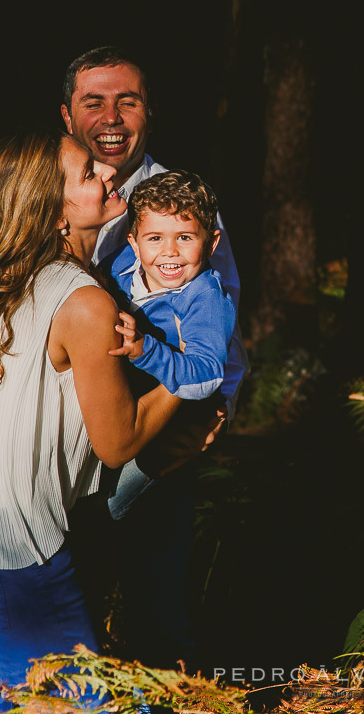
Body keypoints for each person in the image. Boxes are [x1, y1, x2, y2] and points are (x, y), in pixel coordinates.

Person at [0, 131, 183, 714]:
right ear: (53, 212)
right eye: (87, 173)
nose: (107, 174)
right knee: (93, 706)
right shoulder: (84, 303)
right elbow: (117, 441)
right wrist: (191, 373)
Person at [61, 46, 247, 667]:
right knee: (66, 590)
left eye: (128, 101)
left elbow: (220, 323)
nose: (112, 117)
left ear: (149, 113)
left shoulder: (184, 206)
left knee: (156, 595)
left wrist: (212, 417)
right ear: (68, 116)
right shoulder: (51, 191)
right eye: (95, 102)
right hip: (60, 430)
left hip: (159, 421)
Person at [103, 171, 236, 516]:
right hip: (121, 411)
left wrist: (146, 349)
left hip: (166, 436)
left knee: (115, 513)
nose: (170, 252)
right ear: (134, 242)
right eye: (156, 238)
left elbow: (207, 373)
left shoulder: (203, 298)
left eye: (185, 237)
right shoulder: (120, 267)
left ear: (211, 243)